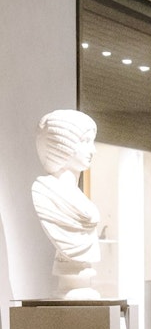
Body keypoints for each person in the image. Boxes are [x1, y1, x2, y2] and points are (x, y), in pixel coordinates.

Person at [30, 109, 102, 299]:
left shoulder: (79, 198)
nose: (93, 150)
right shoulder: (45, 192)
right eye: (85, 141)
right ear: (63, 146)